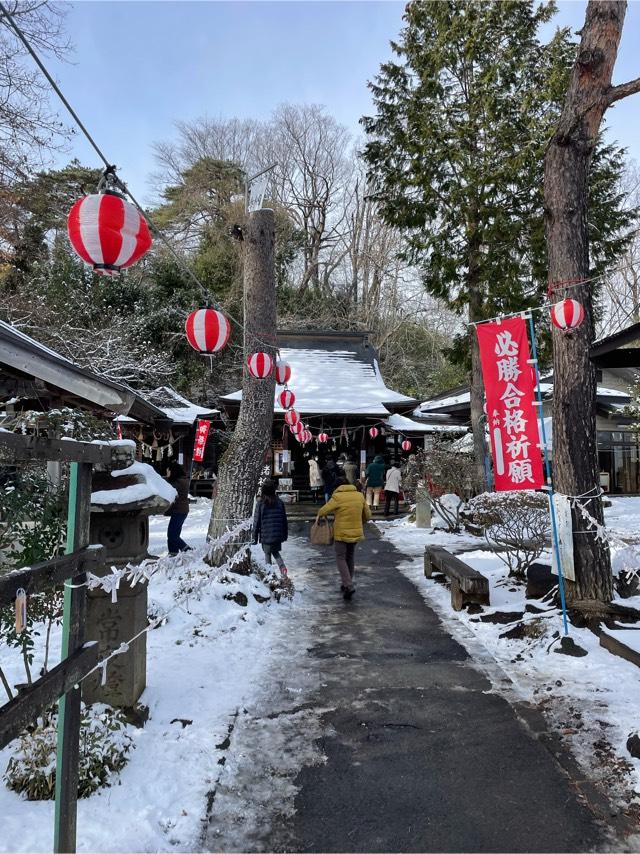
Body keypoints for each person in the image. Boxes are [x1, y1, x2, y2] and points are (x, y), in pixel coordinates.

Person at [317, 476, 372, 600]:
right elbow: (368, 515)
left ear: (337, 487)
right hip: (356, 532)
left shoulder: (337, 497)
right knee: (350, 556)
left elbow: (322, 511)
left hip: (341, 533)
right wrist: (359, 522)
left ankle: (348, 584)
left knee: (340, 557)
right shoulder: (359, 496)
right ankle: (347, 583)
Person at [253, 480, 289, 574]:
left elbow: (256, 522)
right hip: (277, 535)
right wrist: (284, 535)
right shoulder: (280, 502)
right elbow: (284, 520)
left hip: (266, 534)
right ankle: (283, 568)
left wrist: (254, 538)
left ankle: (270, 574)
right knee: (276, 552)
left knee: (267, 554)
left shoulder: (260, 504)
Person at [166, 463, 192, 556]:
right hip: (181, 510)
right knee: (173, 534)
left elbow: (167, 490)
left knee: (172, 535)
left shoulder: (177, 483)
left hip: (179, 511)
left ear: (173, 472)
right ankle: (173, 553)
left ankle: (188, 551)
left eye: (168, 471)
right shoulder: (182, 480)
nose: (167, 473)